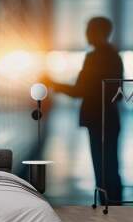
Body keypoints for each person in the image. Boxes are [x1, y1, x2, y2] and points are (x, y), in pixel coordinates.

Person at [43, 17, 123, 203]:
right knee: (110, 167)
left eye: (89, 29)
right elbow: (116, 92)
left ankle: (110, 213)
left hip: (98, 119)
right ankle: (116, 211)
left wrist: (53, 83)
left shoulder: (94, 57)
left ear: (99, 32)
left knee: (102, 169)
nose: (86, 33)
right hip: (110, 118)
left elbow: (81, 90)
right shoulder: (114, 55)